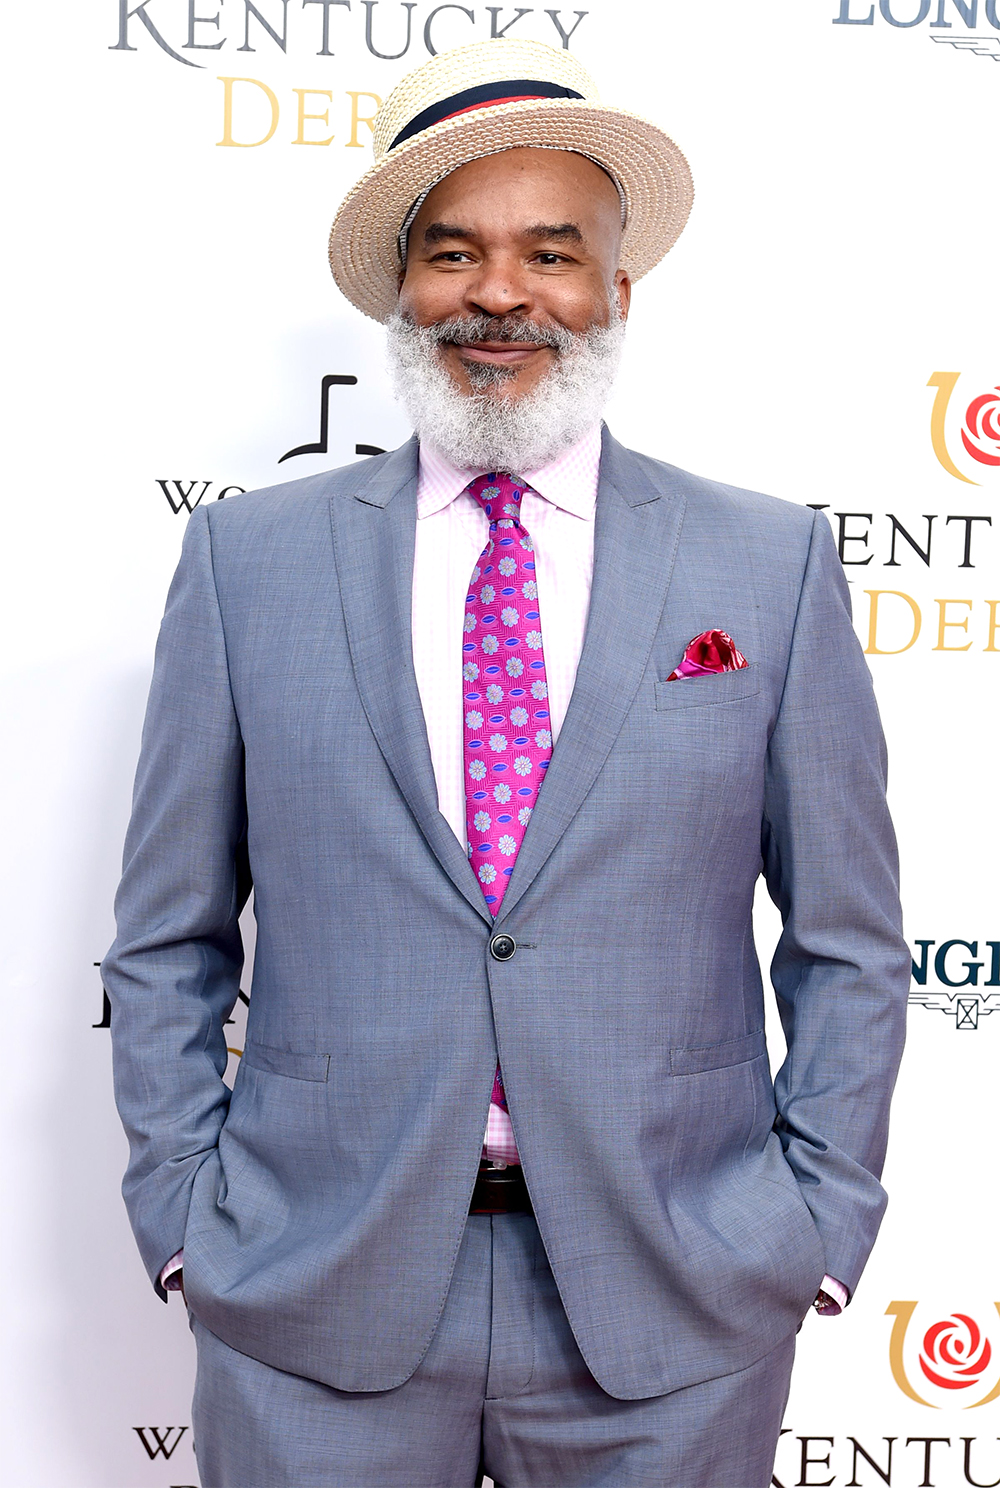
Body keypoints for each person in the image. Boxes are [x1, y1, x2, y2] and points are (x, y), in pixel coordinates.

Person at [103, 37, 910, 1488]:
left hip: (676, 1304)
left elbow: (847, 940)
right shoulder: (247, 563)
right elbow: (165, 939)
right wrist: (184, 1222)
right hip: (312, 1295)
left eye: (553, 252)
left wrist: (813, 1225)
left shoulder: (766, 562)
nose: (500, 294)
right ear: (400, 286)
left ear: (617, 287)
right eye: (455, 252)